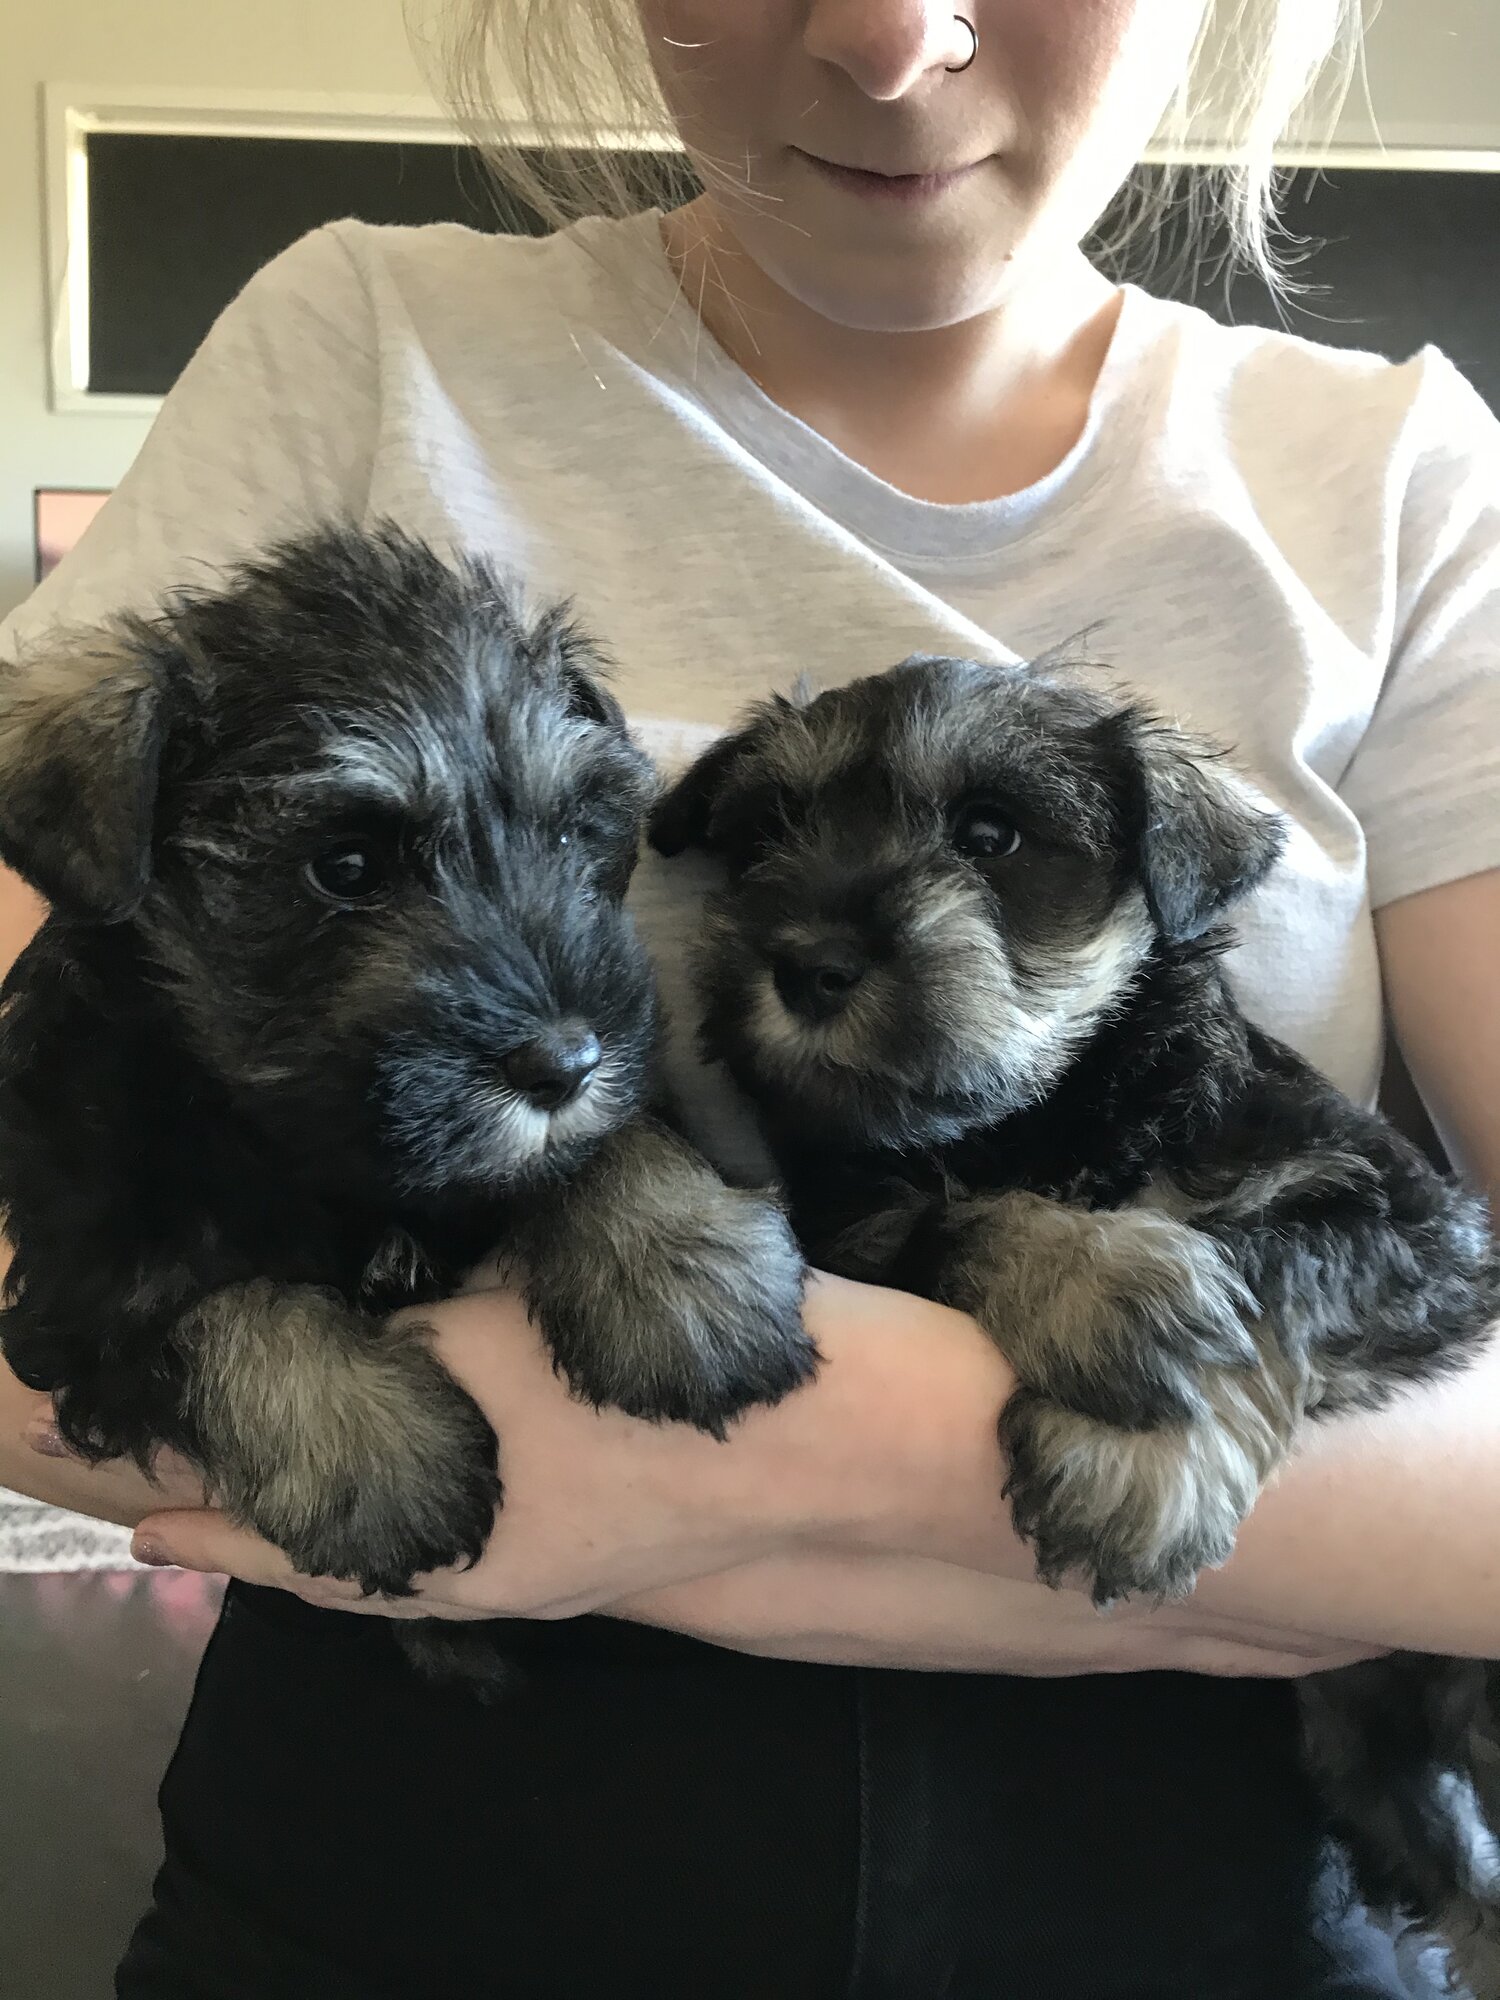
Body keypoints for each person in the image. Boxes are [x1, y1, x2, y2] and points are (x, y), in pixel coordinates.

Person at [2, 0, 1499, 1992]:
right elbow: (43, 1242)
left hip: (1203, 1917)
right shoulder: (359, 337)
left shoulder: (1400, 473)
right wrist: (1262, 1581)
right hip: (406, 1873)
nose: (887, 37)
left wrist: (792, 1460)